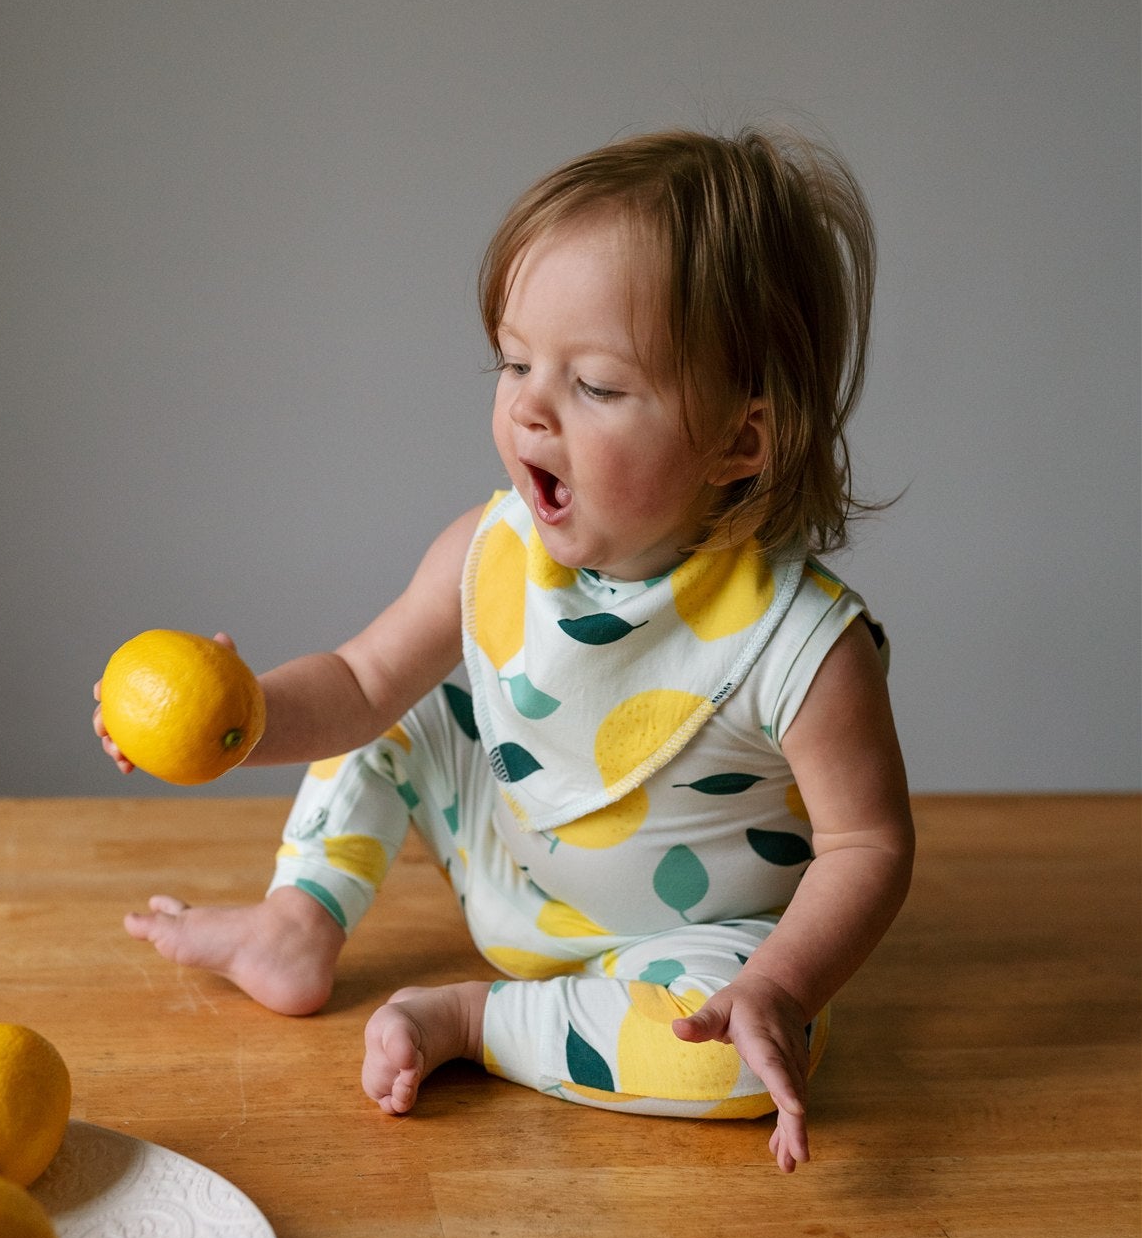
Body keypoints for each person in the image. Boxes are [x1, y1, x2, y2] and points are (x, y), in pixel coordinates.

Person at [95, 128, 914, 1170]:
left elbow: (868, 848)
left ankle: (480, 1022)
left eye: (597, 386)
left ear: (738, 443)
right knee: (408, 706)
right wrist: (238, 714)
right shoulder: (490, 553)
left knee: (738, 1061)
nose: (529, 403)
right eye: (518, 360)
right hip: (508, 860)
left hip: (683, 943)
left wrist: (782, 983)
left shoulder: (800, 642)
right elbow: (355, 684)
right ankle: (297, 918)